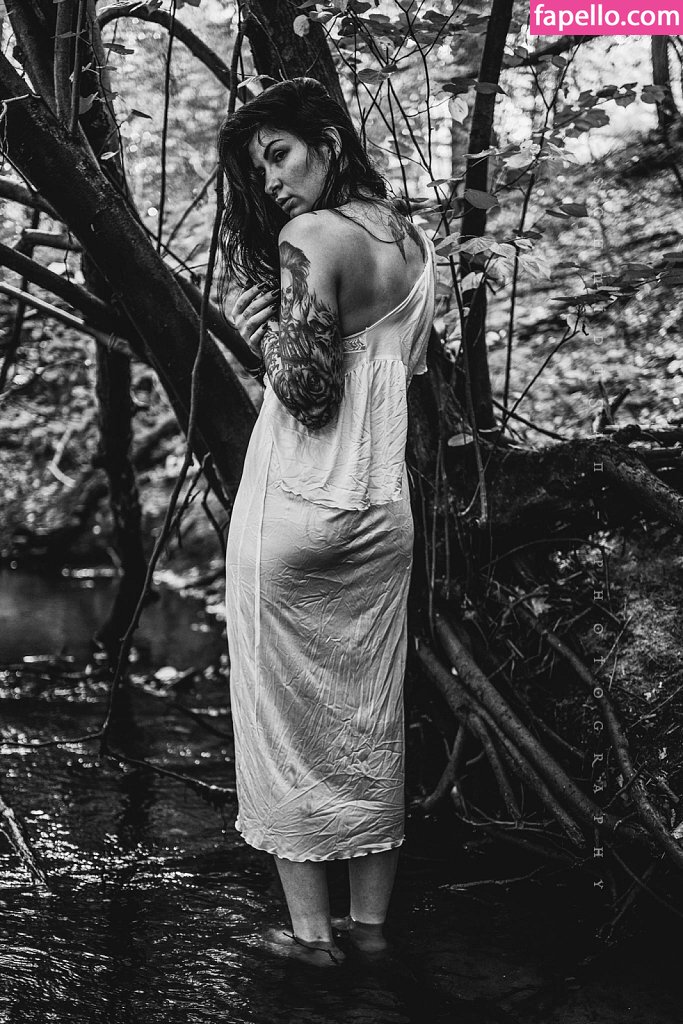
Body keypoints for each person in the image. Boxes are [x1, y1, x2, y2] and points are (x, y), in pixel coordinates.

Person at [218, 77, 435, 966]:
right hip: (382, 512)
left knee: (281, 720)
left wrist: (260, 333)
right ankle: (370, 929)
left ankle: (311, 937)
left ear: (329, 143)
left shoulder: (310, 237)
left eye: (279, 155)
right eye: (257, 169)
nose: (270, 182)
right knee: (368, 712)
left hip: (298, 506)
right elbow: (397, 375)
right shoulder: (410, 241)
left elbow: (308, 394)